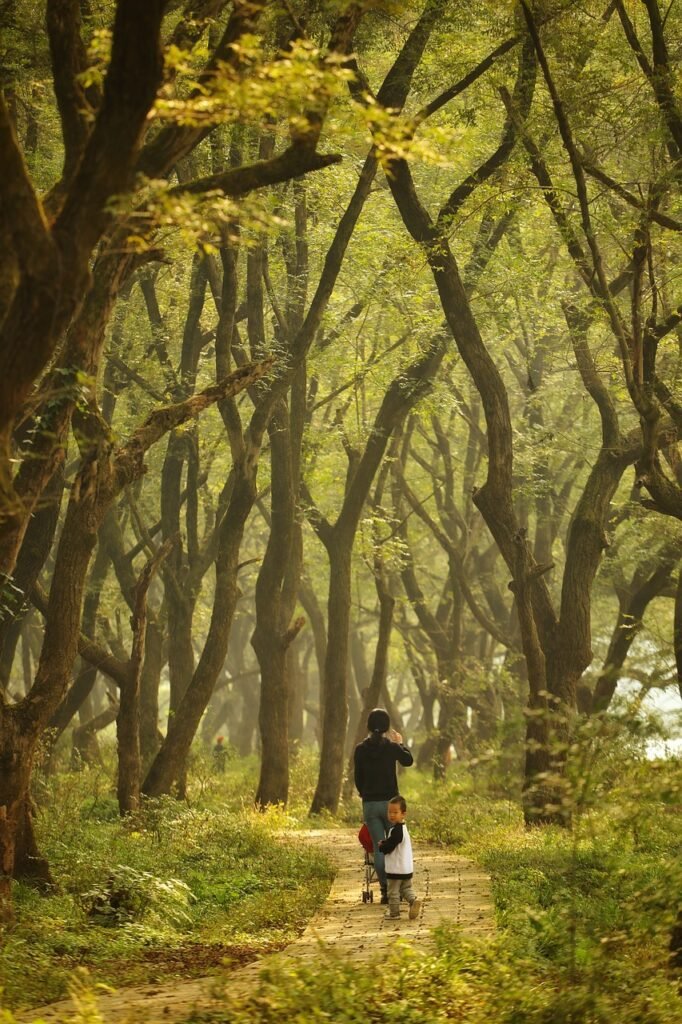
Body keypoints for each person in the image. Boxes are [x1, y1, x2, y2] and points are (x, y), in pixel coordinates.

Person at [353, 707, 413, 904]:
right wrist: (401, 744)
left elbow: (358, 779)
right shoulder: (391, 747)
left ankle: (386, 891)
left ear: (368, 726)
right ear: (387, 727)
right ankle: (401, 888)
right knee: (395, 846)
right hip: (391, 805)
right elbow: (408, 761)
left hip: (370, 804)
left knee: (379, 848)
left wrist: (365, 794)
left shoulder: (360, 749)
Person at [378, 794, 421, 921]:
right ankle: (413, 901)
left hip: (396, 869)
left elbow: (391, 845)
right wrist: (386, 842)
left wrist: (382, 846)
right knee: (405, 888)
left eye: (395, 812)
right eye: (389, 812)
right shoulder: (402, 828)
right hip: (406, 868)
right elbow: (394, 842)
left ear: (403, 814)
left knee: (393, 892)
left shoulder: (397, 830)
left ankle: (394, 913)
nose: (391, 815)